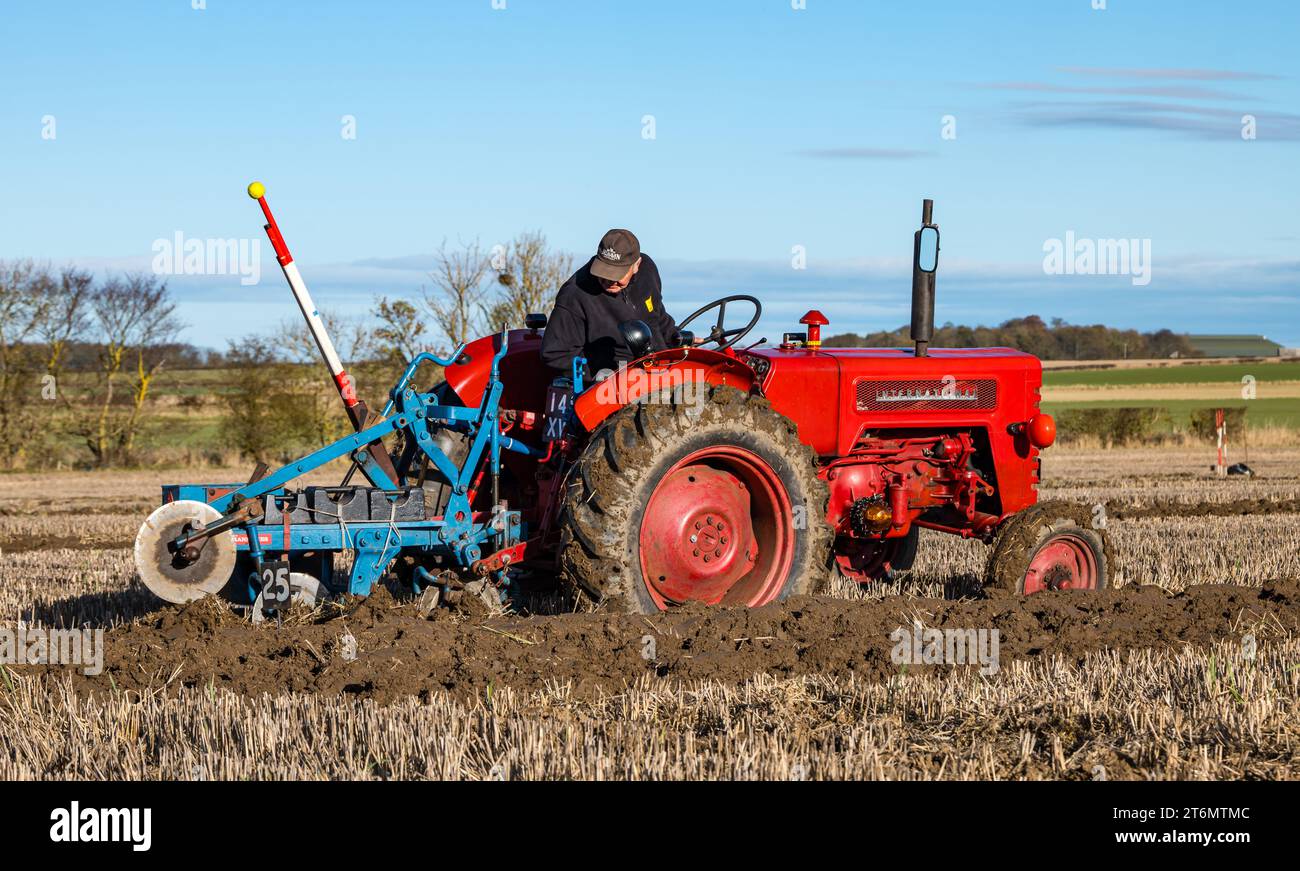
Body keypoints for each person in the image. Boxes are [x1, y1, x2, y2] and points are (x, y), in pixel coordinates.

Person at [540, 228, 682, 379]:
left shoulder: (647, 271)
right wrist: (600, 375)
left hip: (660, 372)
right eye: (604, 271)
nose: (610, 280)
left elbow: (656, 315)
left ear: (636, 265)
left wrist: (676, 338)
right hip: (611, 386)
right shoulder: (574, 294)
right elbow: (555, 353)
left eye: (617, 274)